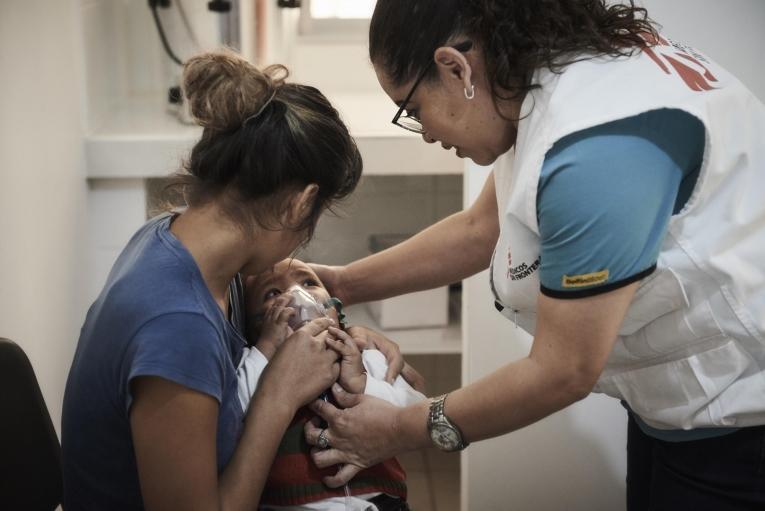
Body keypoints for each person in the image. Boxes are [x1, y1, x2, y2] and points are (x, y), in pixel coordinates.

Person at [302, 1, 765, 509]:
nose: (427, 132)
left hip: (740, 426)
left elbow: (561, 370)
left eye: (413, 111)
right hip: (678, 406)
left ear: (456, 68)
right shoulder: (557, 77)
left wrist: (398, 427)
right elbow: (481, 229)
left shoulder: (600, 148)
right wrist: (339, 283)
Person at [61, 50, 371, 511]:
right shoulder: (177, 327)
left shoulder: (174, 237)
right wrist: (278, 396)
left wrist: (359, 337)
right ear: (301, 204)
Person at [238, 258, 425, 510]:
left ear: (336, 309)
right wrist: (267, 349)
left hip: (380, 502)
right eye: (273, 292)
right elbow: (237, 411)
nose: (297, 295)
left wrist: (364, 384)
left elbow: (418, 410)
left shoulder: (366, 356)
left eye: (308, 282)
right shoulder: (256, 363)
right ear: (255, 326)